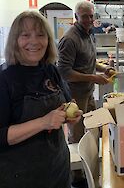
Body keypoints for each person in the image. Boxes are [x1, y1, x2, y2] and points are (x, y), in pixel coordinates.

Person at [0, 11, 82, 188]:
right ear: (15, 40)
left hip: (57, 169)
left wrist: (72, 114)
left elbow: (69, 102)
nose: (34, 41)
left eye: (40, 35)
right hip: (21, 176)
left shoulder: (50, 70)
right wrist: (44, 122)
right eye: (25, 35)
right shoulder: (4, 79)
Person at [57, 1, 112, 186]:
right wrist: (94, 78)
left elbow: (89, 60)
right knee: (77, 134)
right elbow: (64, 72)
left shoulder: (88, 35)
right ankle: (78, 178)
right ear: (76, 17)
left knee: (92, 129)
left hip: (87, 91)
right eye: (85, 16)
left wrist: (103, 68)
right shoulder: (70, 39)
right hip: (74, 95)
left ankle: (91, 167)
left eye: (91, 16)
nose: (89, 19)